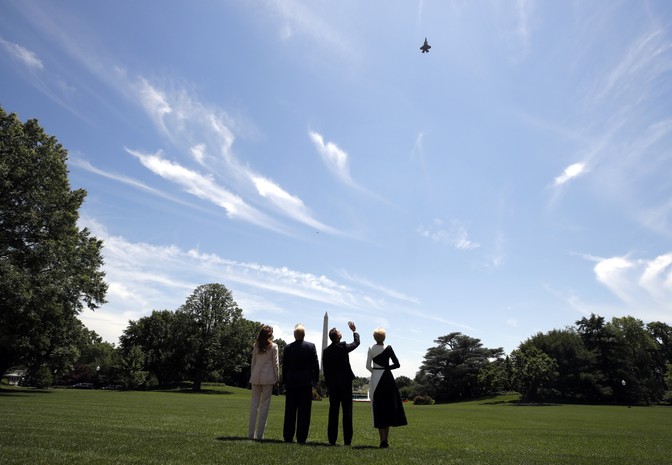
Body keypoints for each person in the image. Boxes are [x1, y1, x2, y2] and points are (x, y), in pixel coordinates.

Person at [365, 328, 407, 448]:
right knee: (388, 407)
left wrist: (375, 371)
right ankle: (385, 440)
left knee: (379, 407)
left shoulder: (370, 348)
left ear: (374, 338)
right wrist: (387, 368)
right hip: (387, 378)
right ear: (384, 338)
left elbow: (368, 366)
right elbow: (397, 364)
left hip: (376, 378)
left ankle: (382, 439)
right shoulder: (389, 348)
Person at [322, 321, 360, 446]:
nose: (341, 332)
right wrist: (354, 331)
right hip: (345, 384)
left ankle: (332, 439)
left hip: (333, 385)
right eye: (339, 331)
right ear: (338, 336)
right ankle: (347, 441)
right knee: (347, 412)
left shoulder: (326, 351)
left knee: (333, 412)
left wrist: (328, 385)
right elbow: (356, 343)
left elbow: (326, 371)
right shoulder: (343, 346)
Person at [282, 323, 320, 444]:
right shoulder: (311, 346)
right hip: (305, 383)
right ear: (304, 335)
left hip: (291, 383)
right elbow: (315, 365)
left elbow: (285, 367)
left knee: (290, 412)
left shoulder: (287, 348)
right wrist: (315, 380)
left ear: (294, 335)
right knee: (304, 412)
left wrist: (284, 381)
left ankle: (288, 436)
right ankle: (301, 437)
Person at [248, 325, 279, 441]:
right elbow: (275, 365)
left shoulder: (256, 346)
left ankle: (251, 434)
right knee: (264, 407)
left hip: (256, 377)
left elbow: (253, 364)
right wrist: (277, 379)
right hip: (268, 378)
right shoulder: (274, 346)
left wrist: (253, 376)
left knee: (254, 406)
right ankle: (260, 435)